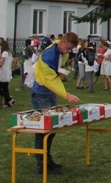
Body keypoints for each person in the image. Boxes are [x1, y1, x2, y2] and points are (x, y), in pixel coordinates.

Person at [30, 32, 81, 175]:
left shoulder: (59, 51)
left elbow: (54, 74)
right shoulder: (49, 55)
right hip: (41, 94)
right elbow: (49, 80)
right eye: (69, 48)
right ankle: (42, 166)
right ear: (62, 42)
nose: (69, 52)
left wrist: (61, 73)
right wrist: (66, 95)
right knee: (44, 131)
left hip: (48, 94)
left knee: (51, 130)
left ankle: (48, 161)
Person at [0, 38, 15, 107]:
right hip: (7, 71)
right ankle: (8, 103)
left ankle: (10, 99)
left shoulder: (5, 53)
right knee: (5, 88)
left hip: (3, 72)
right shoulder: (9, 52)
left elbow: (1, 62)